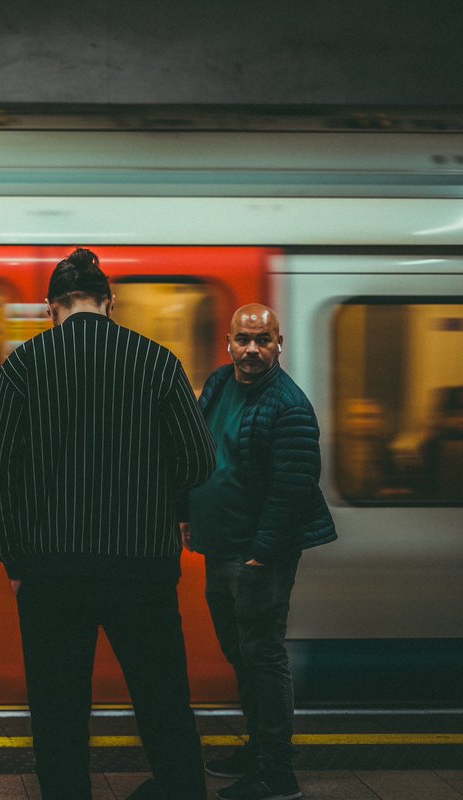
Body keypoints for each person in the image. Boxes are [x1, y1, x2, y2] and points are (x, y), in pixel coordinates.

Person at [0, 248, 216, 800]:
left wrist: (14, 560)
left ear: (50, 308)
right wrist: (154, 492)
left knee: (58, 711)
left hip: (51, 571)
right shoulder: (158, 361)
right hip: (143, 566)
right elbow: (199, 461)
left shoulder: (23, 366)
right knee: (162, 701)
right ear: (110, 304)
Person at [181, 304, 337, 800]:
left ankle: (277, 770)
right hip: (219, 546)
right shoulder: (220, 384)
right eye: (243, 340)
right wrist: (187, 510)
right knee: (241, 655)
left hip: (255, 555)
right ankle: (257, 747)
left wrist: (261, 552)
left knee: (263, 656)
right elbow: (202, 451)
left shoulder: (288, 405)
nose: (251, 350)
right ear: (228, 342)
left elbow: (292, 487)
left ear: (278, 344)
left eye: (262, 340)